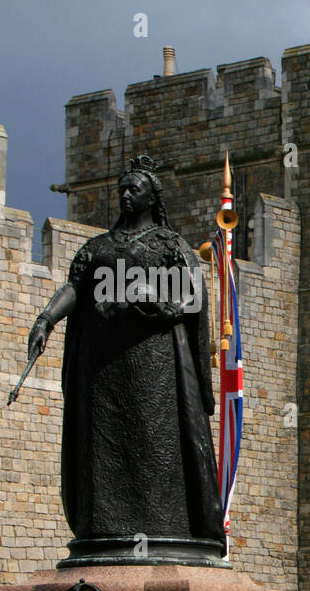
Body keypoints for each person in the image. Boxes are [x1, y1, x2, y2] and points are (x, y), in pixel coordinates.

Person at [25, 154, 225, 558]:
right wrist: (47, 317)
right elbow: (75, 287)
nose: (126, 195)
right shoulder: (97, 247)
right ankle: (105, 529)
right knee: (105, 449)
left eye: (134, 189)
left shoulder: (170, 245)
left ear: (152, 197)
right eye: (122, 189)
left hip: (155, 368)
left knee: (156, 445)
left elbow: (192, 294)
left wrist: (149, 300)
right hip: (104, 368)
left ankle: (164, 530)